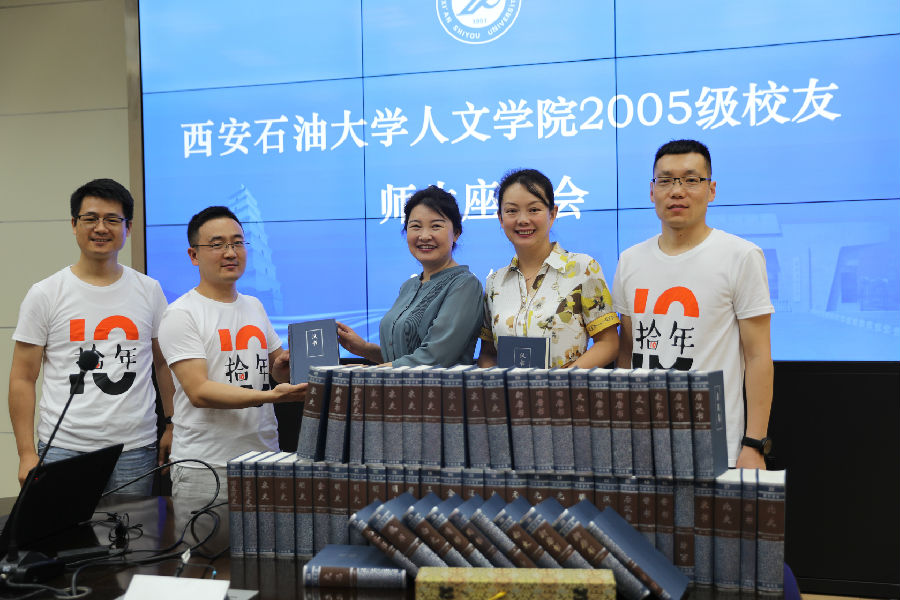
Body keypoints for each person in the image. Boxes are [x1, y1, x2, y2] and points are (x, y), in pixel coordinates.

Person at [611, 139, 775, 469]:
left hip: (715, 446)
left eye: (690, 180)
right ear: (652, 191)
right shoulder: (630, 260)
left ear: (711, 190)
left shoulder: (741, 256)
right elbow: (627, 353)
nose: (677, 191)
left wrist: (755, 443)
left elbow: (758, 357)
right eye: (666, 180)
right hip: (643, 444)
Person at [9, 178, 175, 496]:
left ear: (128, 228)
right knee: (63, 528)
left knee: (133, 529)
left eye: (112, 219)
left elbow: (163, 364)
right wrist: (26, 452)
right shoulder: (45, 293)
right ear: (74, 225)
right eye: (90, 218)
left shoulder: (149, 290)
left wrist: (172, 423)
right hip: (62, 448)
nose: (101, 228)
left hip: (135, 449)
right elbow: (22, 378)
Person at [157, 206, 306, 520]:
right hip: (208, 468)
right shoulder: (181, 314)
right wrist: (271, 396)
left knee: (265, 552)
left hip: (265, 461)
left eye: (238, 242)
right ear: (194, 255)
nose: (230, 252)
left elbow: (276, 370)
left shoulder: (254, 305)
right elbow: (199, 391)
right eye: (218, 244)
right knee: (206, 552)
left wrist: (284, 368)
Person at [477, 168, 619, 369]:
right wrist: (496, 382)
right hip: (509, 389)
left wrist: (563, 380)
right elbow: (488, 353)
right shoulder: (495, 282)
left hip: (567, 388)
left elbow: (608, 343)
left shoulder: (583, 268)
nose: (523, 219)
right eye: (512, 211)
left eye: (534, 209)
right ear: (500, 218)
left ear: (552, 214)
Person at [337, 186, 483, 367]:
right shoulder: (409, 286)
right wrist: (365, 349)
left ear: (456, 233)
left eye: (436, 226)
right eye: (415, 226)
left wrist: (369, 373)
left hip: (439, 386)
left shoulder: (465, 284)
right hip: (400, 385)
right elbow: (404, 357)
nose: (424, 236)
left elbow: (434, 358)